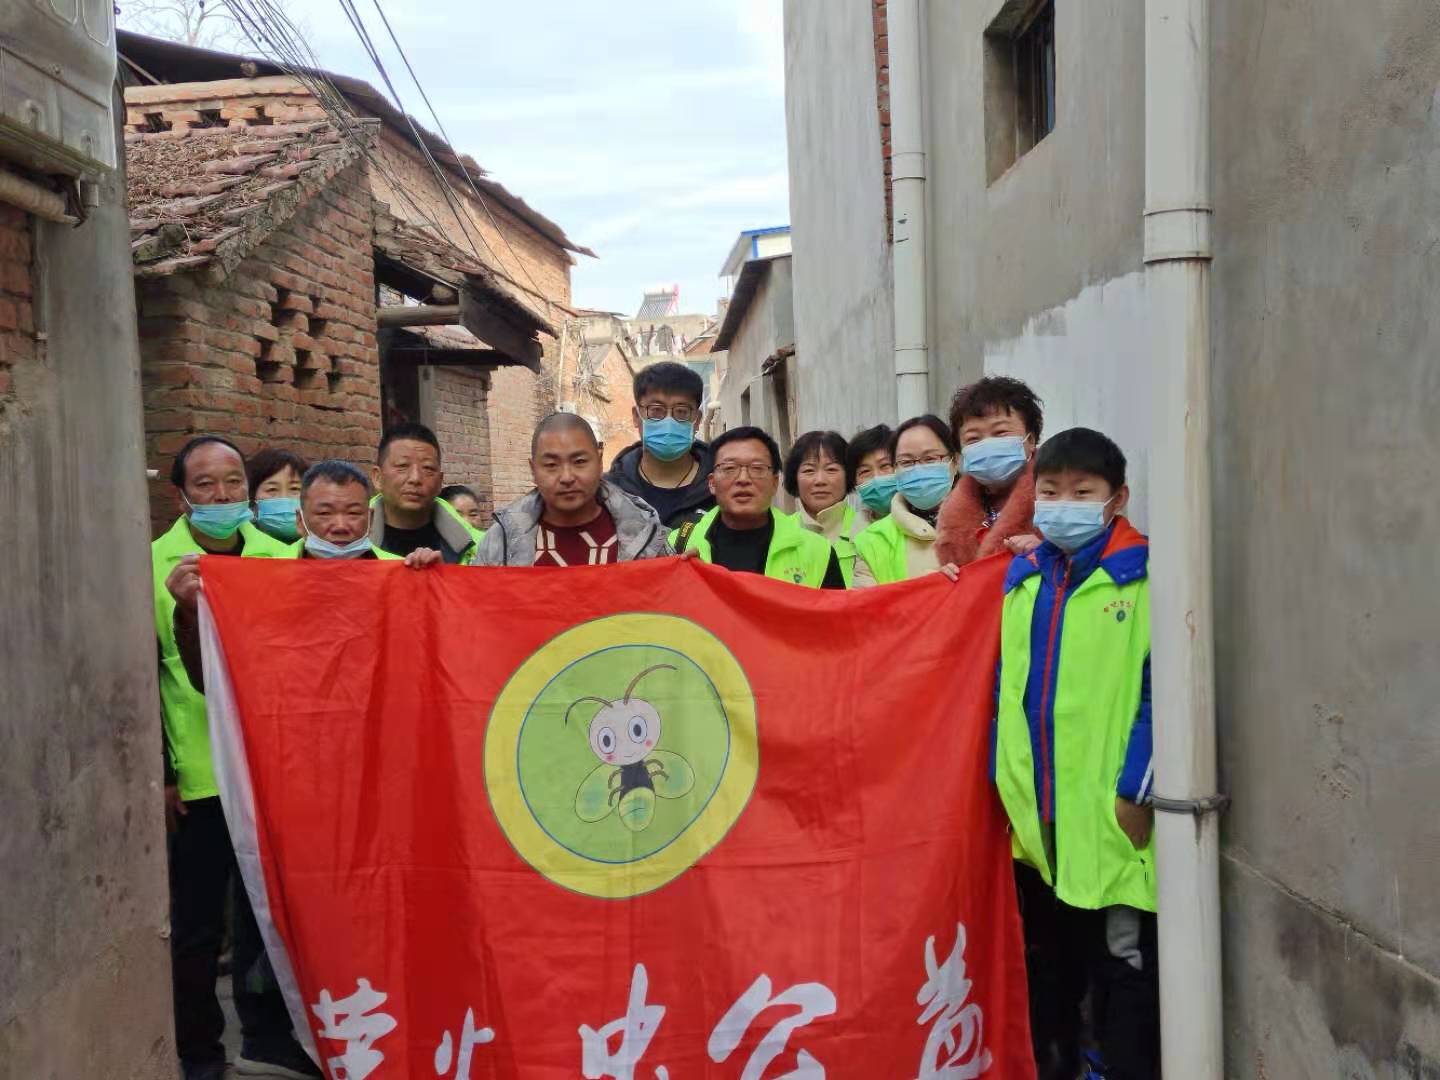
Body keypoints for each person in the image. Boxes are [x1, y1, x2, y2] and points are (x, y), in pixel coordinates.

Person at [151, 436, 318, 1080]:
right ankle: (199, 1050)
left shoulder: (282, 556)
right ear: (181, 496)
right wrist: (163, 774)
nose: (222, 496)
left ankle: (267, 1035)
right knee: (198, 923)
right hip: (201, 774)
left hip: (274, 767)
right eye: (205, 485)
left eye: (232, 483)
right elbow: (142, 676)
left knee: (269, 913)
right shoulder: (155, 566)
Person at [992, 428, 1157, 1080]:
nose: (1064, 505)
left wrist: (1137, 790)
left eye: (1082, 493)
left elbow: (1164, 690)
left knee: (1124, 973)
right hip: (1039, 822)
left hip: (1114, 818)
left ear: (1117, 498)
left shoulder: (1145, 577)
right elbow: (1005, 689)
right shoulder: (1024, 578)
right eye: (1051, 492)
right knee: (1050, 972)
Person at [476, 413, 669, 566]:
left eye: (579, 462)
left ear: (599, 461)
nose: (567, 477)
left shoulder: (644, 533)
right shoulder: (501, 540)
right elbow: (477, 600)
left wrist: (683, 573)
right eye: (551, 465)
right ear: (533, 470)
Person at [671, 425, 845, 589]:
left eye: (757, 468)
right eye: (729, 468)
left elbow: (835, 611)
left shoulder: (817, 552)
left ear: (775, 483)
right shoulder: (677, 545)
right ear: (712, 483)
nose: (743, 479)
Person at [936, 375, 1044, 566]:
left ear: (1031, 439)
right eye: (973, 439)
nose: (987, 444)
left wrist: (1048, 554)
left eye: (1001, 433)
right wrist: (946, 575)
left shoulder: (1057, 498)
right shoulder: (951, 516)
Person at [605, 360, 715, 529]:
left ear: (697, 420)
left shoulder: (722, 488)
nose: (668, 422)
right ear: (636, 416)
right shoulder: (610, 492)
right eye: (656, 410)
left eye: (681, 411)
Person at [852, 415, 957, 586]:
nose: (918, 469)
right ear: (896, 469)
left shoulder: (987, 523)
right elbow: (865, 601)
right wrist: (925, 591)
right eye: (906, 462)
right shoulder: (871, 541)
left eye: (930, 459)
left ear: (955, 461)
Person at [367, 422, 483, 563]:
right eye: (402, 466)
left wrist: (447, 573)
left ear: (440, 481)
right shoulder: (351, 546)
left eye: (427, 468)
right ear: (377, 478)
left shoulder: (480, 548)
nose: (415, 478)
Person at [784, 430, 865, 586]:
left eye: (831, 469)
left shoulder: (867, 531)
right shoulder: (780, 532)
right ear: (795, 477)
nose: (820, 480)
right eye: (809, 470)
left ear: (848, 475)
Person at [247, 447, 308, 542]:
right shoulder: (237, 544)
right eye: (272, 489)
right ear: (252, 498)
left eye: (294, 488)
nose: (284, 498)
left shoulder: (325, 546)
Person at [847, 423, 896, 527]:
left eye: (885, 465)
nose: (876, 478)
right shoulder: (851, 531)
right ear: (854, 482)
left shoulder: (927, 522)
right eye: (865, 471)